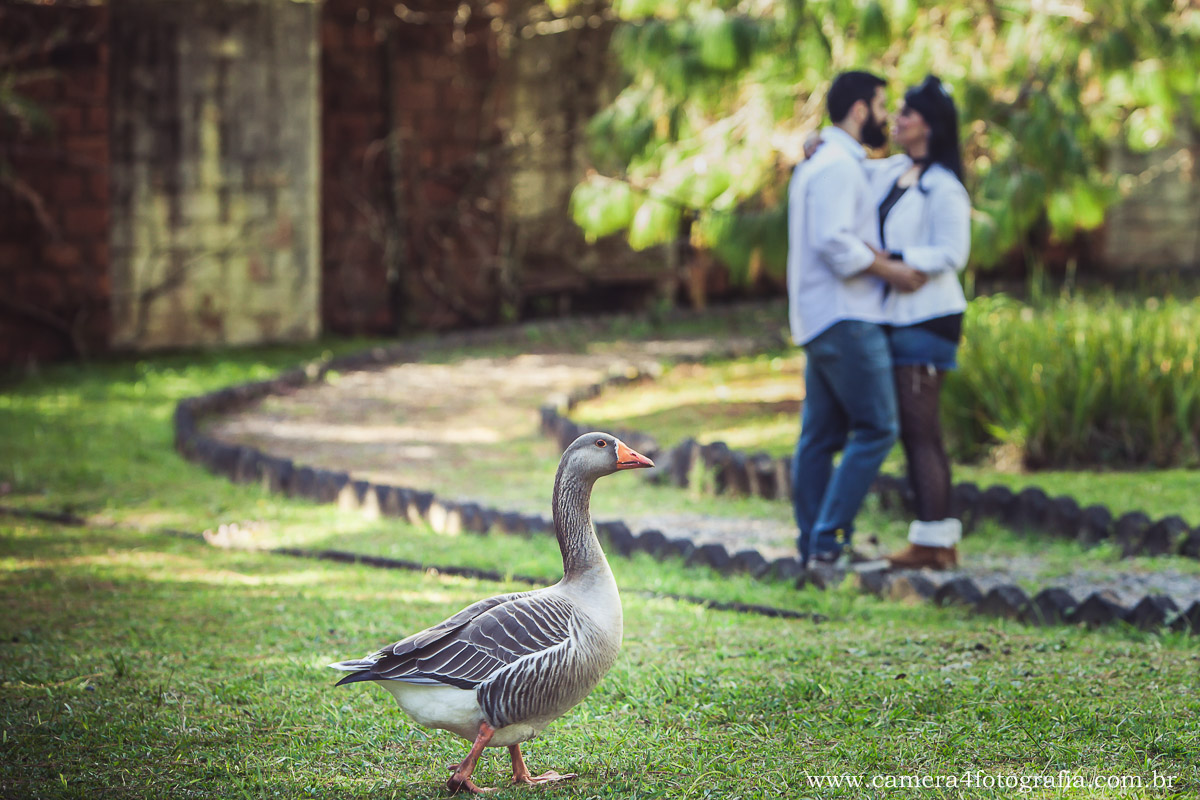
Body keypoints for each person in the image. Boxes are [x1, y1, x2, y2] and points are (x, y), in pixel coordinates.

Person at [786, 71, 927, 567]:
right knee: (878, 428)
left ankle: (814, 546)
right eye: (883, 106)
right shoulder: (835, 167)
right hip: (845, 316)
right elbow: (832, 241)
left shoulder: (834, 161)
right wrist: (891, 270)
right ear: (862, 109)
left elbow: (884, 175)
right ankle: (828, 540)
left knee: (820, 438)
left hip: (822, 316)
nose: (887, 117)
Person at [868, 75, 972, 570]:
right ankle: (932, 539)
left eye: (906, 113)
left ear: (928, 124)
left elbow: (954, 252)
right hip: (901, 316)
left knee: (922, 431)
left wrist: (897, 256)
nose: (897, 120)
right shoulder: (896, 172)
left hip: (930, 317)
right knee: (913, 432)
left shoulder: (944, 186)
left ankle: (936, 544)